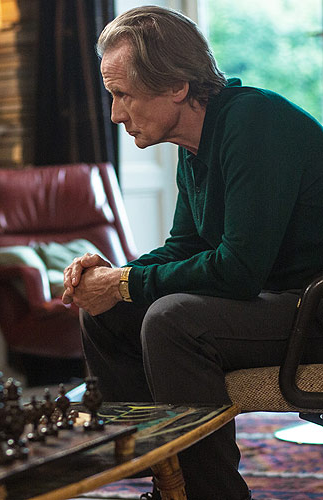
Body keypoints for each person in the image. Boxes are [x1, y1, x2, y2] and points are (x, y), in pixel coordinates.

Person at [62, 6, 323, 500]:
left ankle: (211, 494)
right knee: (105, 314)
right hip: (277, 304)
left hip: (314, 310)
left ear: (177, 86)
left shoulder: (255, 122)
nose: (115, 114)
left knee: (173, 320)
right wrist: (114, 278)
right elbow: (186, 245)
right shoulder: (196, 142)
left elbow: (238, 271)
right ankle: (169, 479)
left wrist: (124, 283)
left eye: (123, 95)